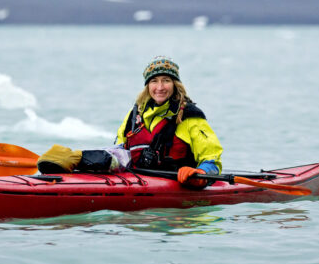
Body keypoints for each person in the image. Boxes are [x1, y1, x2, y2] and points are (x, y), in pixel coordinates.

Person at [37, 56, 223, 188]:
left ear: (175, 85)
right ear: (147, 86)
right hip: (135, 178)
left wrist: (202, 174)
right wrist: (86, 160)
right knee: (106, 158)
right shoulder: (135, 115)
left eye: (166, 80)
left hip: (175, 183)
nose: (159, 87)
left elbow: (212, 158)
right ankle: (71, 158)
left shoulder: (190, 117)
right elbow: (120, 151)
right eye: (154, 81)